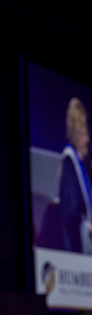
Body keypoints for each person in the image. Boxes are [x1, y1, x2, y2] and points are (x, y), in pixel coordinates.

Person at [59, 98, 92, 254]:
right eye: (84, 134)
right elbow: (71, 212)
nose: (88, 139)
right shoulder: (69, 162)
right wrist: (89, 228)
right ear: (77, 135)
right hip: (73, 252)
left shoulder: (80, 166)